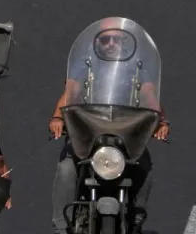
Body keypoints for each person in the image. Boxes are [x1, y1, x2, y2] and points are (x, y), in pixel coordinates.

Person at [47, 18, 169, 234]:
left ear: (124, 42)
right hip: (87, 135)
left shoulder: (137, 68)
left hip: (125, 137)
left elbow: (150, 96)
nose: (111, 44)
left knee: (144, 165)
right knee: (66, 169)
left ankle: (137, 217)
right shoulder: (85, 65)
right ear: (97, 43)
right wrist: (57, 118)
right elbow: (70, 93)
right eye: (105, 40)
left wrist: (161, 121)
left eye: (116, 40)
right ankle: (60, 227)